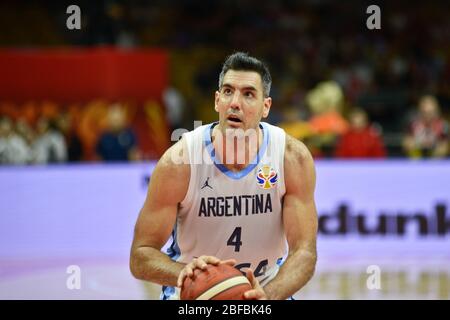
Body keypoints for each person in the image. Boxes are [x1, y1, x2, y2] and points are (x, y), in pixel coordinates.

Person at [130, 52, 318, 300]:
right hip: (196, 293)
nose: (235, 102)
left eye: (248, 94)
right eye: (228, 92)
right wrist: (183, 272)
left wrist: (267, 296)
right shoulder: (180, 162)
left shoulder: (292, 158)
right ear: (217, 101)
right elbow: (141, 255)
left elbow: (304, 252)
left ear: (266, 107)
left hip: (265, 287)